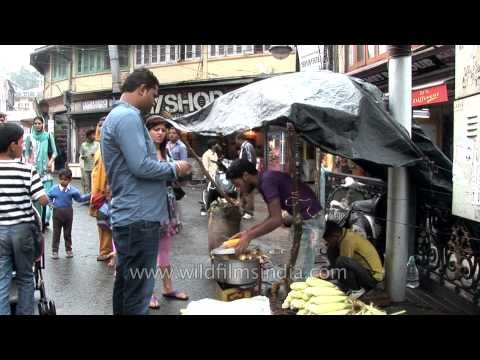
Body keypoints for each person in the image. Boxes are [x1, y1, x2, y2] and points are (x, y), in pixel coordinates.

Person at [101, 68, 191, 315]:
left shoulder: (119, 116)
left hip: (132, 215)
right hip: (138, 218)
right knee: (138, 292)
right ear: (141, 89)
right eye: (153, 94)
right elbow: (140, 165)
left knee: (127, 287)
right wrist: (175, 168)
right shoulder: (127, 117)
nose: (154, 100)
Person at [226, 159, 324, 279]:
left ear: (245, 176)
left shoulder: (267, 181)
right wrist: (248, 232)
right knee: (294, 265)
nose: (238, 189)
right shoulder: (264, 181)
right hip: (302, 219)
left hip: (311, 220)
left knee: (300, 270)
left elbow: (276, 220)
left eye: (237, 184)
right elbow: (273, 216)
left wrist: (249, 236)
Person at [0, 123, 49, 315]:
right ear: (12, 145)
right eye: (21, 143)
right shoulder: (27, 170)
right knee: (26, 277)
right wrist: (48, 197)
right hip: (22, 231)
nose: (23, 146)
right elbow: (42, 199)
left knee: (2, 278)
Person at [145, 115, 188, 308]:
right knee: (149, 252)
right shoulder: (143, 153)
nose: (161, 133)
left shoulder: (167, 152)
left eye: (163, 130)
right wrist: (172, 169)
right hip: (150, 206)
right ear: (147, 131)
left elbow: (174, 175)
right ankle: (147, 293)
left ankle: (168, 287)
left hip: (167, 205)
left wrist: (180, 171)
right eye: (156, 129)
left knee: (164, 249)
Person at [323, 220, 384, 299]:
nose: (327, 243)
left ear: (336, 235)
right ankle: (346, 287)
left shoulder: (348, 240)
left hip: (372, 278)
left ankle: (355, 290)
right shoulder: (344, 235)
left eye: (328, 240)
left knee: (342, 260)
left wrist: (329, 274)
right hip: (363, 272)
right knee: (331, 250)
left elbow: (344, 265)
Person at [47, 168, 90, 259]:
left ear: (70, 180)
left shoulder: (73, 191)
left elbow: (80, 199)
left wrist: (90, 196)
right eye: (61, 179)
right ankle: (55, 251)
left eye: (65, 180)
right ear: (59, 179)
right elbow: (48, 197)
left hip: (68, 214)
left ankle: (68, 250)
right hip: (56, 214)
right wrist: (50, 205)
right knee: (56, 233)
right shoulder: (54, 189)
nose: (63, 181)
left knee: (67, 233)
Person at [24, 116, 58, 228]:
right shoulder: (29, 137)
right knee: (36, 198)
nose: (37, 125)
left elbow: (55, 152)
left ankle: (47, 219)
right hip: (34, 171)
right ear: (33, 124)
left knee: (47, 196)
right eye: (36, 123)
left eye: (39, 123)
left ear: (43, 124)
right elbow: (27, 154)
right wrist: (28, 164)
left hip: (46, 170)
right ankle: (39, 221)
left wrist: (51, 161)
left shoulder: (48, 136)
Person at [89, 117, 114, 262]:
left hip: (105, 191)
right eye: (99, 125)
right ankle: (105, 250)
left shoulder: (108, 146)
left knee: (106, 222)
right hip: (97, 191)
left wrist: (107, 189)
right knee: (102, 221)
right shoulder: (99, 146)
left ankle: (106, 251)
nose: (100, 128)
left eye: (103, 126)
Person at [236, 133, 256, 219]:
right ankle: (243, 210)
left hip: (247, 173)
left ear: (239, 139)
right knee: (243, 192)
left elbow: (250, 160)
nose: (236, 142)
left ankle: (249, 212)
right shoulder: (244, 147)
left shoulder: (247, 146)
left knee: (248, 193)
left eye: (236, 140)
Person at [200, 139, 219, 216]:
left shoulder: (215, 154)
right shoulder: (206, 154)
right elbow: (205, 167)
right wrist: (207, 177)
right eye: (216, 144)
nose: (217, 145)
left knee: (213, 192)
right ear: (212, 145)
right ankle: (203, 208)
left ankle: (211, 207)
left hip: (215, 176)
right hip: (209, 176)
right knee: (207, 192)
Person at [79, 128, 99, 194]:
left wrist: (95, 155)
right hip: (86, 168)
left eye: (94, 134)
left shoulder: (97, 144)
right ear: (88, 136)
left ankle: (93, 199)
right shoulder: (83, 145)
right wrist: (83, 157)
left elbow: (101, 155)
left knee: (95, 184)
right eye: (92, 135)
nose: (94, 136)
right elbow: (81, 155)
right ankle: (87, 198)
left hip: (95, 168)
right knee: (87, 185)